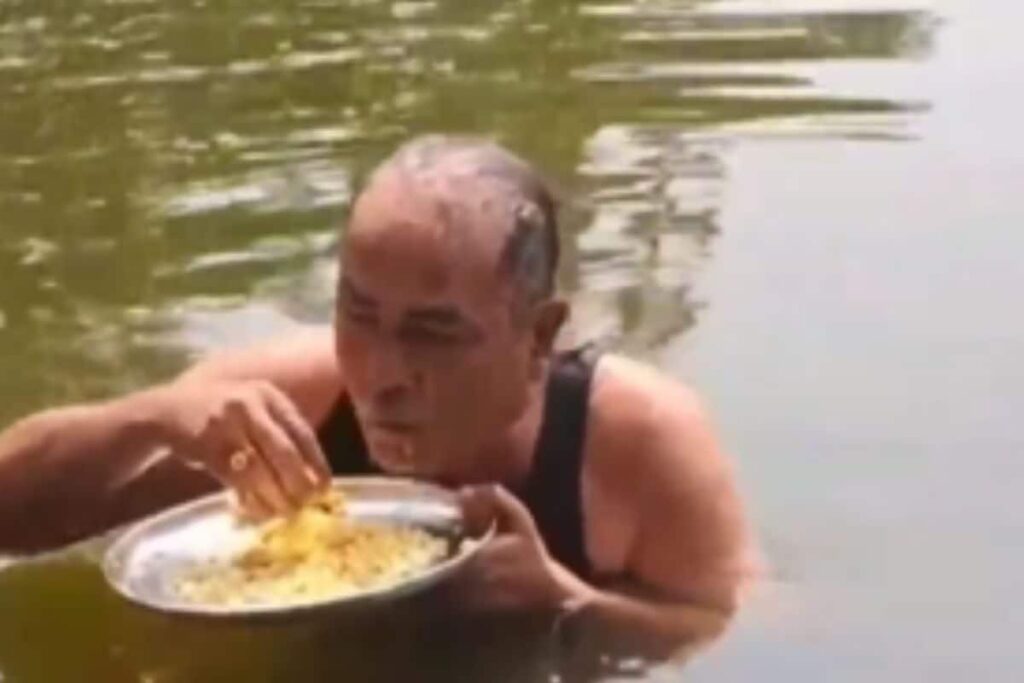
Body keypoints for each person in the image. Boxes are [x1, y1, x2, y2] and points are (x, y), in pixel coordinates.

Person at [0, 136, 757, 653]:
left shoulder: (634, 441)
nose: (382, 371)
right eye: (358, 313)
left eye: (433, 331)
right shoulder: (296, 399)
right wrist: (148, 418)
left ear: (537, 337)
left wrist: (567, 601)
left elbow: (737, 631)